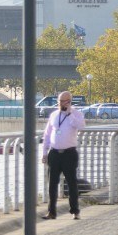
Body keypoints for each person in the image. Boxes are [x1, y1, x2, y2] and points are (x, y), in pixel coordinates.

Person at [42, 90, 85, 220]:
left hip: (69, 153)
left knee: (72, 183)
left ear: (69, 101)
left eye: (63, 101)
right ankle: (51, 212)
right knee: (52, 184)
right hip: (55, 153)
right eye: (59, 101)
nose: (60, 103)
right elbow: (47, 134)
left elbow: (81, 126)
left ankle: (75, 210)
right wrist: (45, 152)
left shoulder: (76, 114)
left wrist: (70, 113)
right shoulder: (54, 115)